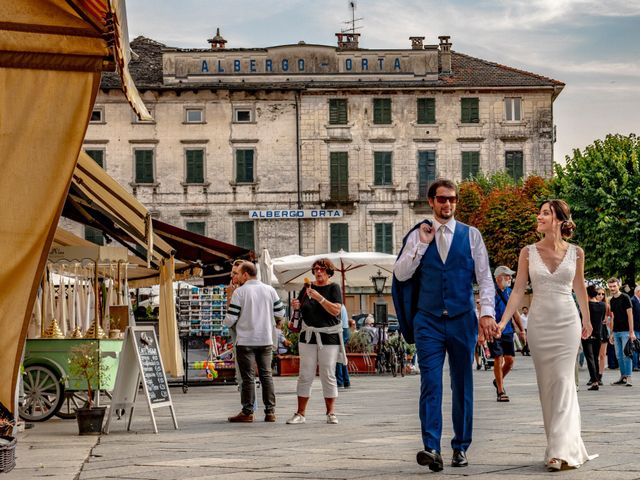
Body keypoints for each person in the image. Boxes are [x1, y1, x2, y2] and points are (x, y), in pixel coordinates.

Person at [393, 178, 497, 472]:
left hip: (463, 318)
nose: (447, 204)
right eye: (442, 199)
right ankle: (432, 447)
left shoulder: (471, 235)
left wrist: (486, 313)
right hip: (428, 320)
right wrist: (422, 246)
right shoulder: (418, 235)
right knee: (431, 382)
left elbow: (485, 278)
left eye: (452, 199)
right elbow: (401, 275)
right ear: (431, 202)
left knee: (463, 383)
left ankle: (461, 446)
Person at [497, 199, 595, 471]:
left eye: (545, 213)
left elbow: (579, 288)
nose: (538, 217)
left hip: (567, 321)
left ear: (560, 220)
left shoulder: (577, 252)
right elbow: (517, 291)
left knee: (564, 381)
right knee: (548, 385)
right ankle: (559, 442)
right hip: (539, 323)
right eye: (540, 213)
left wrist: (586, 318)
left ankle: (558, 451)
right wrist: (503, 320)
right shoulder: (527, 252)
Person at [223, 261, 286, 423]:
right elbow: (281, 312)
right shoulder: (270, 290)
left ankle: (248, 411)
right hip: (265, 339)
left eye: (238, 274)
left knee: (248, 377)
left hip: (245, 340)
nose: (236, 276)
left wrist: (225, 321)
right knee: (266, 375)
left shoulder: (240, 292)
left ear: (245, 274)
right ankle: (270, 412)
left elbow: (230, 319)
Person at [286, 258, 346, 425]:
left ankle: (331, 413)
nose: (318, 272)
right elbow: (302, 311)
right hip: (307, 336)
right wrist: (296, 307)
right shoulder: (306, 288)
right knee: (305, 374)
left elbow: (335, 310)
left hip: (329, 336)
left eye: (322, 269)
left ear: (329, 272)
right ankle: (300, 413)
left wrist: (320, 298)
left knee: (328, 373)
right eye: (316, 269)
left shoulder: (334, 287)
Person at [490, 266, 525, 402]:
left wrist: (521, 330)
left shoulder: (510, 292)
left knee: (510, 361)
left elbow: (515, 312)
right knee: (498, 358)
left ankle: (498, 380)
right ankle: (500, 390)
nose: (510, 278)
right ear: (498, 277)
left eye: (510, 276)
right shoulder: (491, 292)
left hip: (508, 331)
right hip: (494, 330)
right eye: (507, 276)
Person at [607, 277, 635, 386]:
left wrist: (631, 332)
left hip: (626, 331)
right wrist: (611, 333)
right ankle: (623, 377)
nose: (612, 288)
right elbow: (613, 317)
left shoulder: (625, 297)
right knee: (618, 355)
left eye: (614, 286)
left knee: (626, 354)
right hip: (616, 331)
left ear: (618, 285)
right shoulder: (612, 300)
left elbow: (630, 315)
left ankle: (629, 377)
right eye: (610, 287)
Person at [583, 285, 606, 390]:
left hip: (586, 334)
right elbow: (601, 320)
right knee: (595, 358)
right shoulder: (602, 305)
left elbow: (582, 319)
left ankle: (594, 381)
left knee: (589, 358)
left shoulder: (586, 305)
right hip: (598, 334)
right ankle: (596, 379)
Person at [335, 305, 351, 389]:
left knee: (338, 356)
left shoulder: (337, 304)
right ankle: (346, 381)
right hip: (345, 329)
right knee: (341, 355)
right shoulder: (342, 305)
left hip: (340, 329)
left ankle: (340, 381)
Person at [596, 288, 610, 385]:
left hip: (603, 331)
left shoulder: (607, 306)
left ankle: (600, 376)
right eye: (599, 293)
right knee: (594, 356)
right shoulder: (590, 304)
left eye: (603, 294)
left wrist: (607, 320)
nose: (601, 295)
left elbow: (611, 317)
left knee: (602, 355)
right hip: (594, 331)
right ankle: (594, 376)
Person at [631, 286, 640, 372]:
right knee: (636, 347)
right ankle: (635, 365)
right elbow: (632, 316)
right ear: (638, 292)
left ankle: (638, 364)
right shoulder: (632, 300)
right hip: (636, 328)